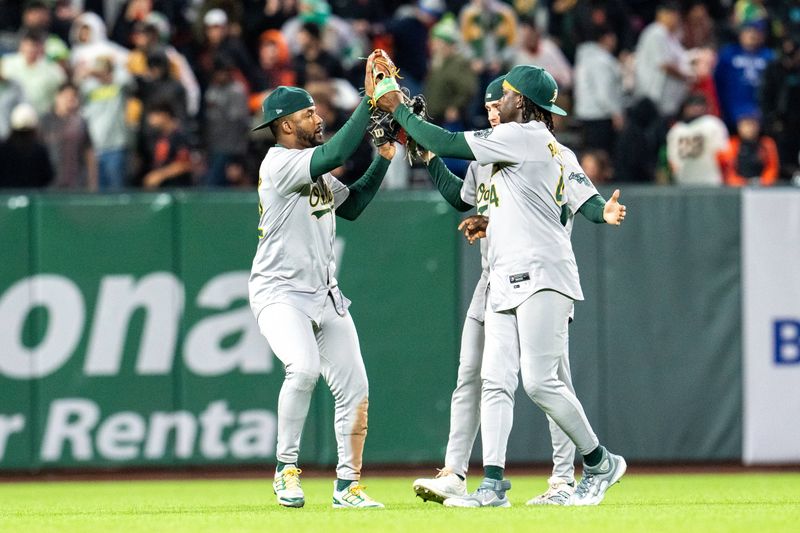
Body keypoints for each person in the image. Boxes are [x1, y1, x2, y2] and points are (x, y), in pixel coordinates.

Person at [376, 60, 626, 507]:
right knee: (494, 380)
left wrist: (399, 108)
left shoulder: (523, 135)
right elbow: (474, 193)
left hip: (543, 272)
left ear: (523, 103)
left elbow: (448, 140)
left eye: (506, 94)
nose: (498, 102)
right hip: (506, 272)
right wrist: (483, 220)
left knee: (542, 382)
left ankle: (598, 462)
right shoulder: (532, 141)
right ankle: (492, 486)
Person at [248, 68, 395, 509]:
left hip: (324, 293)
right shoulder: (279, 163)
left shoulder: (310, 169)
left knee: (356, 388)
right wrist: (369, 103)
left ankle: (347, 486)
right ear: (287, 125)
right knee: (304, 368)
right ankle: (285, 469)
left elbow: (353, 205)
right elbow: (335, 151)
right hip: (279, 292)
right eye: (309, 114)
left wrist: (384, 157)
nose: (318, 118)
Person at [633, 2, 692, 118]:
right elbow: (664, 65)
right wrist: (687, 76)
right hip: (654, 98)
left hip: (668, 101)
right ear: (663, 15)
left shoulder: (670, 36)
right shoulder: (656, 32)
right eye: (674, 15)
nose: (677, 19)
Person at [574, 24, 623, 157]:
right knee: (601, 157)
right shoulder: (601, 60)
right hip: (600, 116)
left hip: (585, 114)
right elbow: (604, 93)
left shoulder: (584, 57)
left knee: (590, 157)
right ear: (605, 38)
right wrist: (616, 113)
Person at [714, 20, 773, 130]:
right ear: (740, 33)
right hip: (732, 111)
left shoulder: (769, 56)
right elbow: (718, 82)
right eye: (748, 31)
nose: (752, 35)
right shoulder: (728, 54)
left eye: (756, 32)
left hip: (760, 112)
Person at [41, 82, 97, 190]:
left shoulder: (80, 123)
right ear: (58, 97)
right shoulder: (45, 121)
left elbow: (89, 154)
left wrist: (93, 183)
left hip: (77, 184)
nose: (69, 100)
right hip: (51, 184)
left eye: (73, 97)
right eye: (66, 96)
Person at [666, 94, 729, 186]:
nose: (696, 108)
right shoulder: (676, 130)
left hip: (711, 180)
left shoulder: (713, 124)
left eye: (699, 105)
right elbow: (672, 159)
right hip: (683, 181)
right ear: (685, 108)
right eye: (692, 105)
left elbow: (723, 154)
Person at [1, 29, 66, 116]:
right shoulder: (7, 63)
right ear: (21, 45)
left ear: (42, 47)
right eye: (28, 45)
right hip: (10, 115)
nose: (31, 49)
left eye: (35, 45)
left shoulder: (53, 69)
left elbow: (63, 92)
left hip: (42, 117)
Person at [141, 101, 193, 189]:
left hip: (178, 188)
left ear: (165, 115)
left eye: (154, 115)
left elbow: (185, 164)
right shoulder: (155, 136)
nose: (150, 120)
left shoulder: (180, 136)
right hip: (160, 189)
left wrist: (160, 175)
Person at [0, 103, 53, 188]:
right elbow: (48, 176)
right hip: (34, 198)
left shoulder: (3, 149)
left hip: (6, 199)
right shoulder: (39, 150)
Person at [720, 112, 779, 186]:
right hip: (737, 186)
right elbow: (728, 169)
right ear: (739, 127)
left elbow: (772, 167)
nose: (749, 129)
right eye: (745, 125)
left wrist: (763, 181)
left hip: (761, 185)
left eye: (752, 125)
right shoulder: (732, 144)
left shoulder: (766, 143)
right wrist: (741, 182)